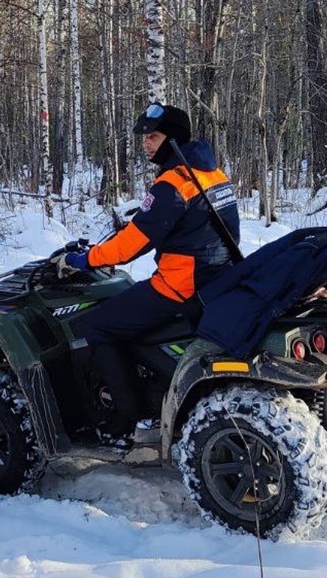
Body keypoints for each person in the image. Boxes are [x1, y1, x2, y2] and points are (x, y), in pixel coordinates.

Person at [56, 102, 240, 443]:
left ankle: (129, 417)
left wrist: (84, 260)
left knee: (94, 325)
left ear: (173, 139)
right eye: (144, 138)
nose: (145, 144)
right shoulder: (213, 174)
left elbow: (130, 247)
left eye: (152, 137)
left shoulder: (173, 183)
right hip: (216, 277)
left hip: (180, 286)